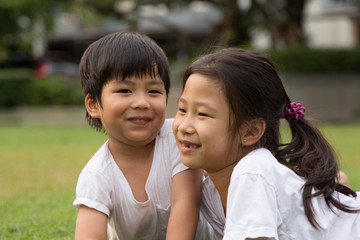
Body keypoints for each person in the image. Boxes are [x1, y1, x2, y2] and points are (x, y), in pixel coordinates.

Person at [172, 48, 360, 239]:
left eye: (202, 114)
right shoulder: (210, 188)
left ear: (250, 132)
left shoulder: (252, 171)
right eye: (182, 109)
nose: (184, 126)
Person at [73, 31, 212, 240]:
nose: (141, 102)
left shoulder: (178, 138)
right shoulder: (96, 175)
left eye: (154, 92)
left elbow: (186, 202)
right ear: (94, 105)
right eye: (125, 91)